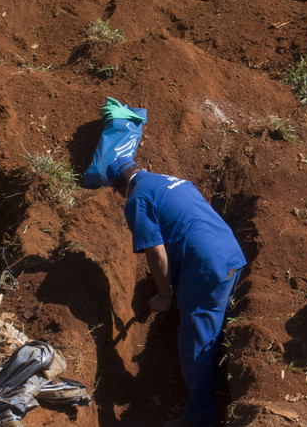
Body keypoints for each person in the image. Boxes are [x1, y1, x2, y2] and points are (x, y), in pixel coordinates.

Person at [107, 158, 247, 427]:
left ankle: (199, 419)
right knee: (213, 329)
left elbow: (156, 253)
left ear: (119, 189)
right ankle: (216, 381)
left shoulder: (137, 199)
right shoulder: (172, 181)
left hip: (207, 269)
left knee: (193, 345)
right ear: (139, 168)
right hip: (230, 254)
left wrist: (164, 296)